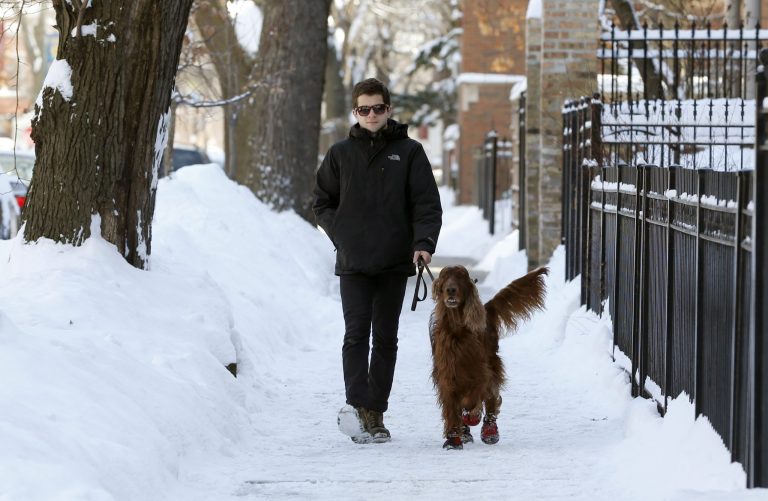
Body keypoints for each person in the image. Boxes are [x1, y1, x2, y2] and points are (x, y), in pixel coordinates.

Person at [313, 78, 442, 444]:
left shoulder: (410, 152)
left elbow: (426, 204)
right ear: (356, 113)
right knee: (355, 335)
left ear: (389, 109)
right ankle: (356, 407)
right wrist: (342, 234)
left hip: (393, 261)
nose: (371, 115)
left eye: (378, 108)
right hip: (353, 262)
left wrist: (423, 243)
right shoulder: (339, 154)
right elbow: (322, 201)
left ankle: (376, 413)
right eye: (364, 109)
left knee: (385, 338)